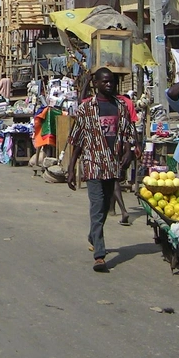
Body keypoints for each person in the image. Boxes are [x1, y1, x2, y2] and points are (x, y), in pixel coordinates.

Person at [66, 68, 136, 272]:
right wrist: (71, 168)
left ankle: (93, 236)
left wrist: (129, 152)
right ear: (95, 83)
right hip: (93, 164)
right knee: (96, 207)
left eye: (111, 82)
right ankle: (100, 255)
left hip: (112, 165)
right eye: (104, 82)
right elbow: (77, 141)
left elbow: (128, 134)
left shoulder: (120, 107)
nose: (109, 85)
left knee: (105, 206)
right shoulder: (86, 109)